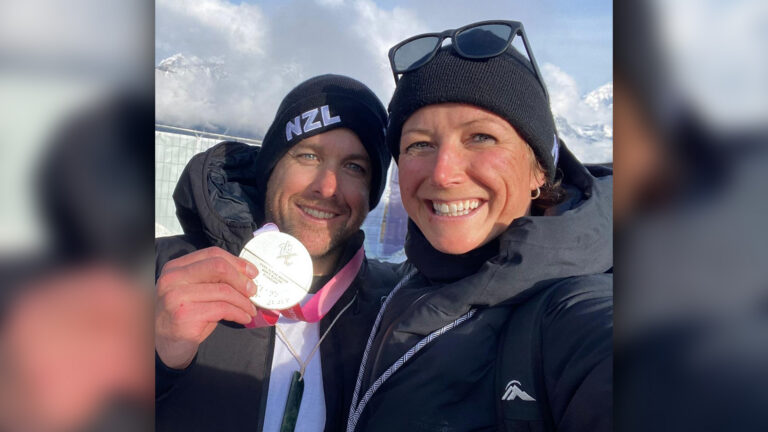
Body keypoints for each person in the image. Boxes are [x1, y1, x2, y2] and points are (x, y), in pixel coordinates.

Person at [345, 21, 613, 432]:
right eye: (419, 144)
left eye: (481, 137)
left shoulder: (571, 315)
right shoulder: (398, 288)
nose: (443, 173)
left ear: (540, 168)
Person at [154, 74, 399, 431]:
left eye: (353, 167)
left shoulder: (393, 310)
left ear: (370, 192)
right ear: (270, 169)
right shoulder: (164, 270)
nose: (327, 187)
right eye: (309, 155)